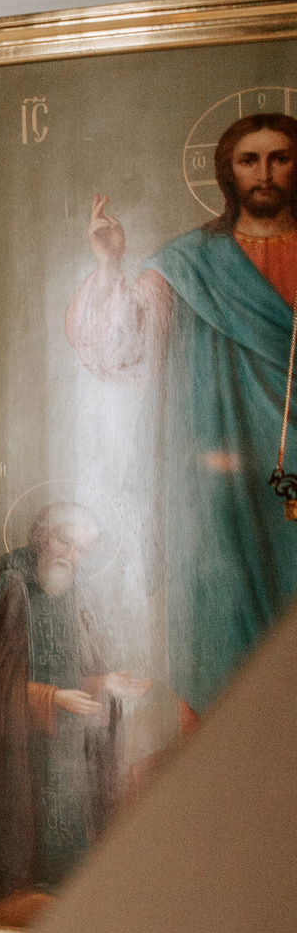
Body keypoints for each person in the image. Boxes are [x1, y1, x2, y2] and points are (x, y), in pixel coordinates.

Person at [64, 111, 297, 714]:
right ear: (228, 173)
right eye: (250, 160)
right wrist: (112, 264)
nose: (265, 173)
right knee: (229, 643)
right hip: (220, 484)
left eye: (279, 158)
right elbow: (122, 343)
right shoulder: (189, 262)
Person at [0, 502, 150, 899]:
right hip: (9, 748)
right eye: (64, 541)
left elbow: (72, 669)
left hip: (61, 747)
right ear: (40, 535)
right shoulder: (4, 585)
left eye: (81, 550)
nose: (70, 556)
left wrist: (103, 682)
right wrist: (50, 698)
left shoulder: (78, 589)